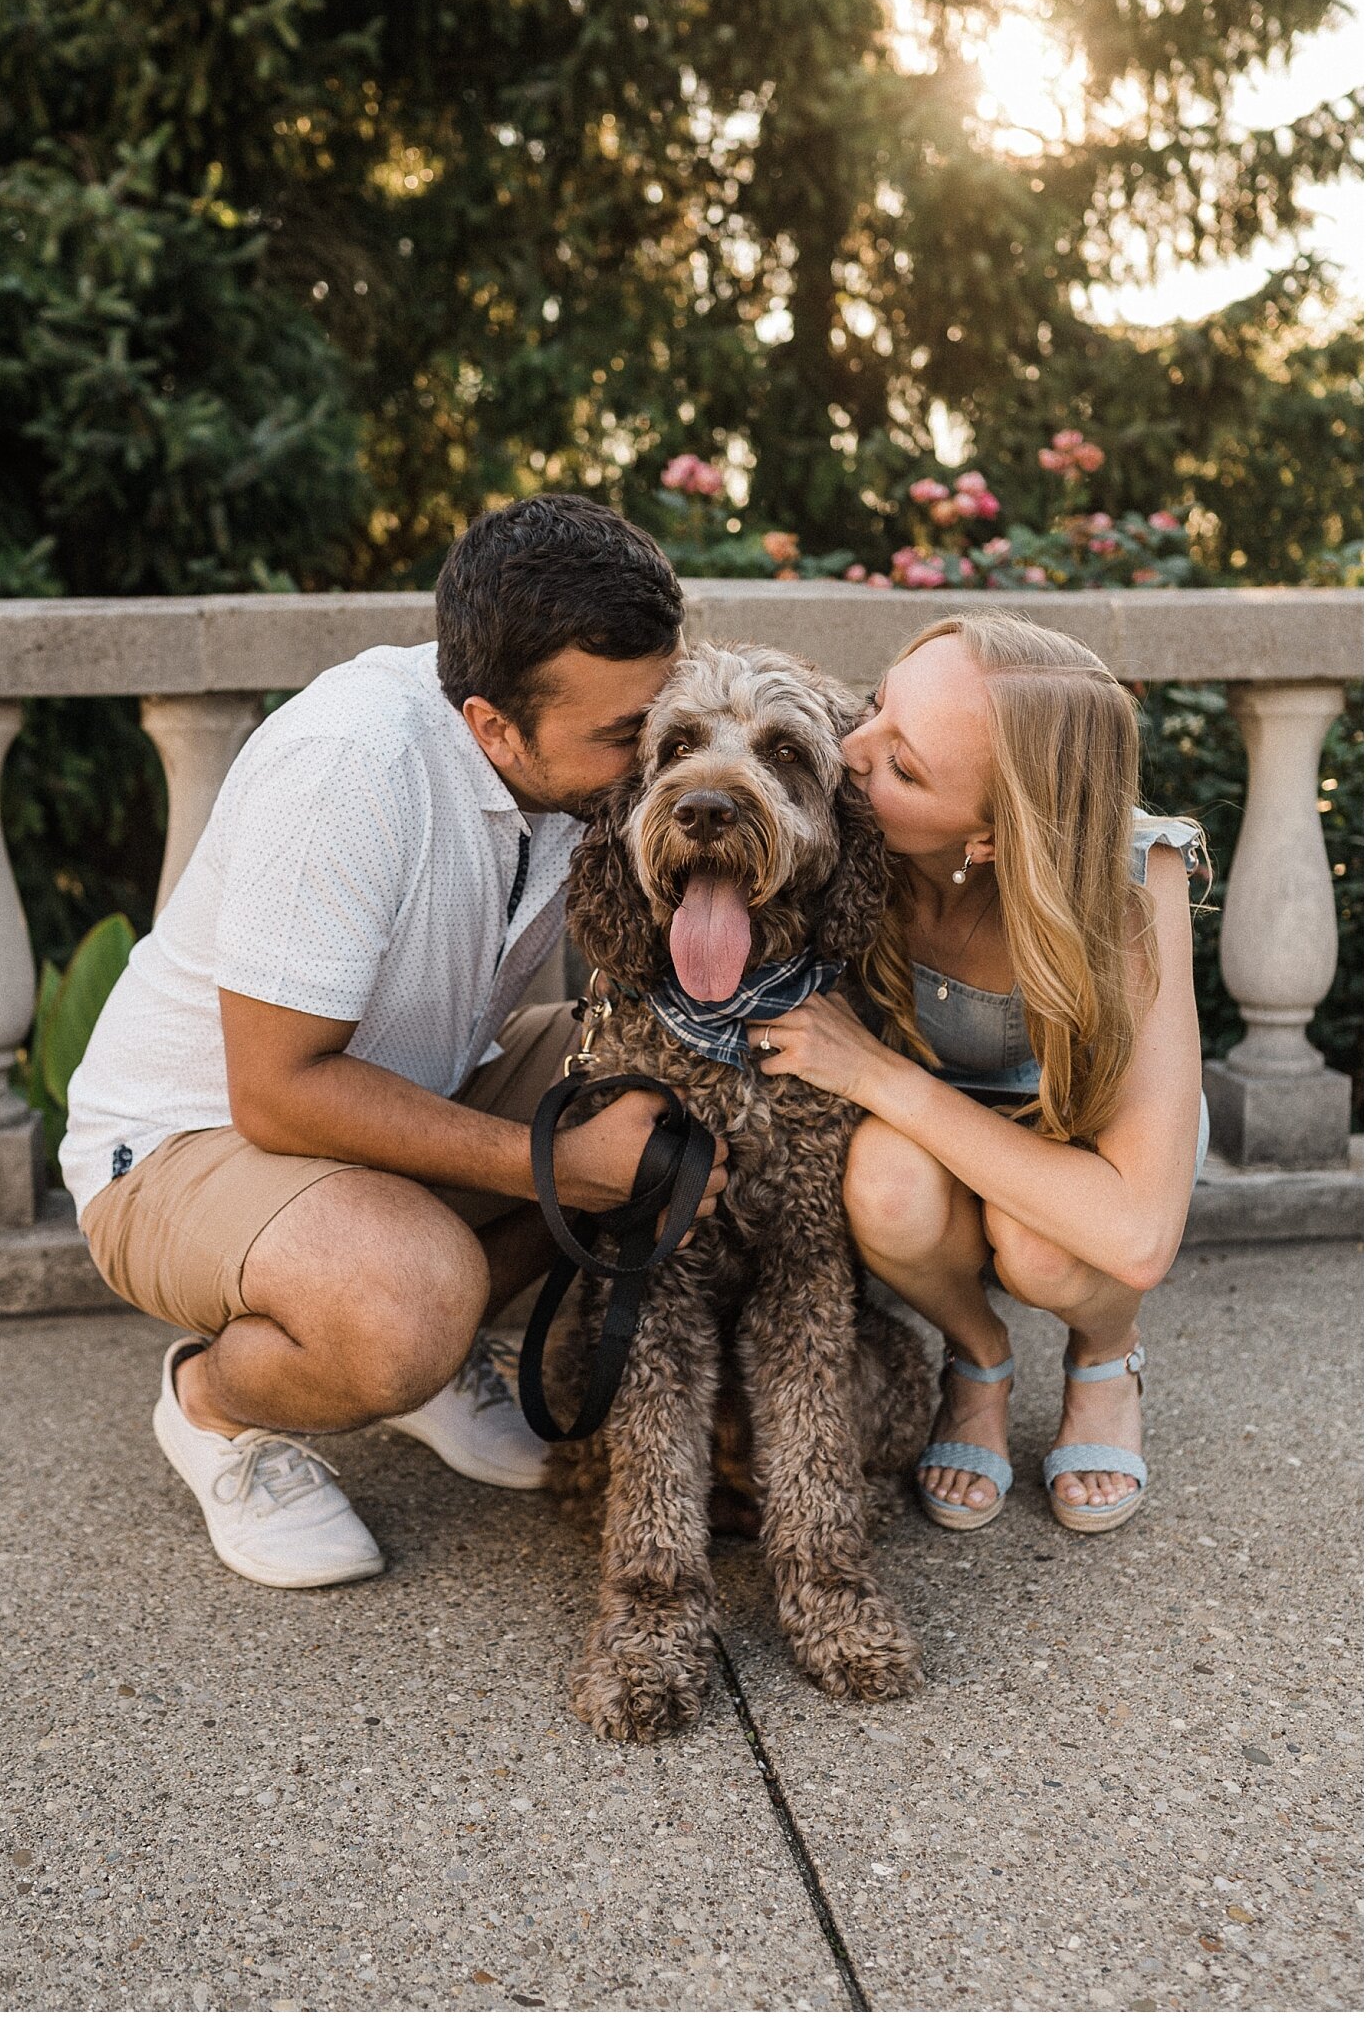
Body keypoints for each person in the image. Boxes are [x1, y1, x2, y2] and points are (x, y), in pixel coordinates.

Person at [61, 495, 727, 1588]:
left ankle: (439, 1357)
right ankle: (217, 1408)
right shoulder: (347, 769)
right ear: (492, 726)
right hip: (186, 1141)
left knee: (682, 1094)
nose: (653, 760)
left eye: (657, 719)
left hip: (408, 1089)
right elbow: (277, 1092)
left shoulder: (571, 751)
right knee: (406, 1303)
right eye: (625, 738)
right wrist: (560, 1167)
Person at [746, 610, 1208, 1536]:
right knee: (882, 1183)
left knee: (1045, 1246)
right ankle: (979, 1357)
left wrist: (878, 1074)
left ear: (994, 839)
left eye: (906, 767)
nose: (849, 754)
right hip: (929, 1142)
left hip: (1088, 1149)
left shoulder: (1128, 879)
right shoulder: (840, 829)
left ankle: (1107, 1354)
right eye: (877, 708)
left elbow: (1138, 1236)